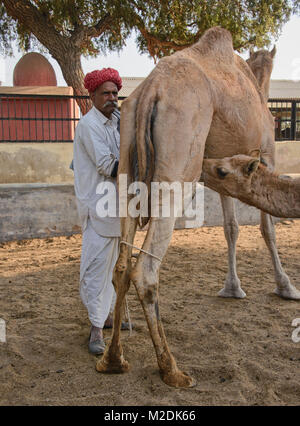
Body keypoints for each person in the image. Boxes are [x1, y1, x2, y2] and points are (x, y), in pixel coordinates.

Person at [73, 67, 128, 355]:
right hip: (97, 206)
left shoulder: (117, 120)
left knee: (113, 268)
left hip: (117, 207)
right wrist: (141, 167)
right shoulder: (88, 125)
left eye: (115, 93)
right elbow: (107, 165)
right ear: (92, 95)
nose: (111, 98)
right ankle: (95, 330)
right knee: (95, 267)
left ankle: (107, 317)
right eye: (105, 93)